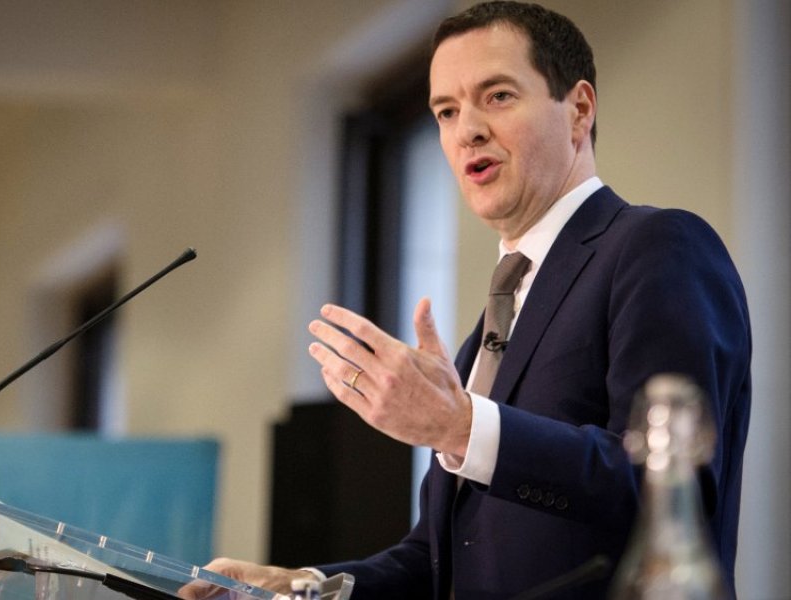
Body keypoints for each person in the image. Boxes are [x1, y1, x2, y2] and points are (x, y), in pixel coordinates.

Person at [191, 2, 751, 598]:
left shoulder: (656, 246)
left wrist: (462, 428)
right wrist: (303, 586)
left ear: (579, 109)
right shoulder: (485, 333)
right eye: (446, 111)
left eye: (498, 96)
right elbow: (435, 561)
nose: (468, 131)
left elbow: (670, 493)